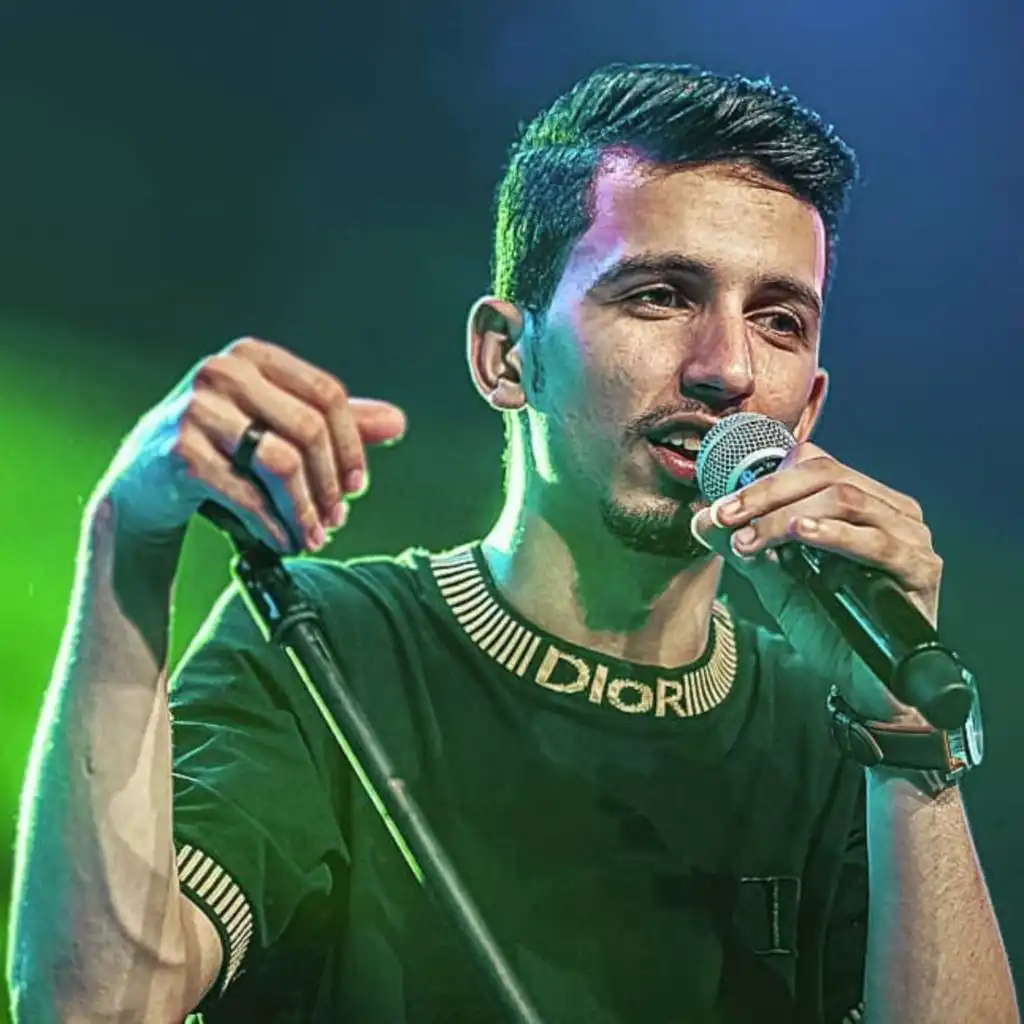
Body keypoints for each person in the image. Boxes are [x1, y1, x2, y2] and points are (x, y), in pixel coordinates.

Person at [7, 62, 1018, 1024]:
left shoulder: (834, 731)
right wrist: (127, 536)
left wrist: (905, 739)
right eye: (661, 295)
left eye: (780, 320)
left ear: (808, 409)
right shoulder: (326, 647)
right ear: (505, 357)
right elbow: (95, 1004)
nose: (728, 368)